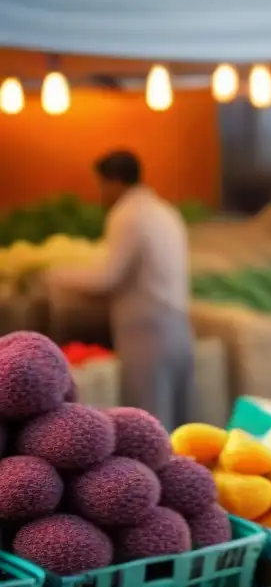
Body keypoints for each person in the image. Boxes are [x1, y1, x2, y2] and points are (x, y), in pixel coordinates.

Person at [46, 150, 195, 430]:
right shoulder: (164, 210)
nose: (101, 193)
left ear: (113, 182)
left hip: (147, 331)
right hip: (179, 327)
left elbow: (108, 277)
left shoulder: (127, 214)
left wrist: (56, 276)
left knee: (149, 427)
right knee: (183, 427)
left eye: (101, 185)